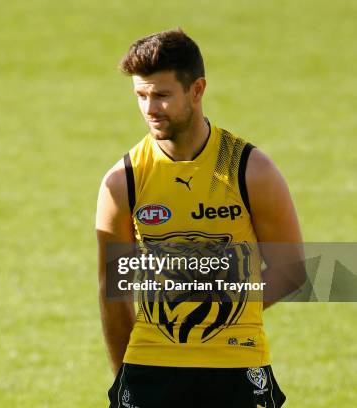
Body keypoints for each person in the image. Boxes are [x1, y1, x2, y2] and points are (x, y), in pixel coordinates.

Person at [96, 29, 304, 407]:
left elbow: (290, 270)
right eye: (140, 96)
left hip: (236, 364)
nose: (149, 109)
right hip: (149, 367)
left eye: (161, 95)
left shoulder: (249, 170)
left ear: (197, 90)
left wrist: (220, 303)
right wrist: (124, 373)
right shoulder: (123, 180)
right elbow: (113, 290)